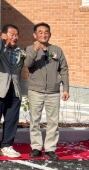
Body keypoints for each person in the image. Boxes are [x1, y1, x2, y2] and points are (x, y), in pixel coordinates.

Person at [24, 23, 70, 161]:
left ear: (50, 34)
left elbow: (64, 69)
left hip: (53, 91)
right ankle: (36, 148)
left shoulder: (56, 50)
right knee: (35, 120)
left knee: (53, 122)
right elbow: (28, 64)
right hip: (36, 90)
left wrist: (66, 88)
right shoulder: (29, 49)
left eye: (46, 32)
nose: (43, 35)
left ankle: (50, 149)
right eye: (40, 32)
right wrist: (34, 50)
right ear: (35, 35)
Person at [0, 24, 23, 159]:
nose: (15, 37)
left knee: (12, 119)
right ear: (5, 35)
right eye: (12, 34)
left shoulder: (21, 52)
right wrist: (0, 43)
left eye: (17, 35)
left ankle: (6, 145)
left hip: (15, 89)